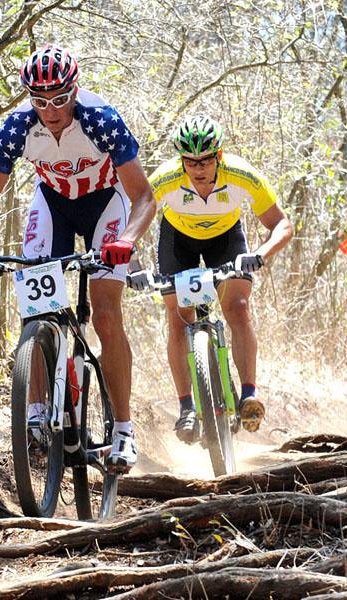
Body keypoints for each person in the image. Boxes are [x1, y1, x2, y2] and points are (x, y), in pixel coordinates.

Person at [0, 44, 156, 471]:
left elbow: (144, 196)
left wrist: (127, 240)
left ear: (75, 90)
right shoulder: (18, 127)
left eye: (60, 98)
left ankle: (124, 430)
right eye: (40, 100)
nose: (50, 110)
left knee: (105, 315)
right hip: (53, 204)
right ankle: (34, 415)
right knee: (36, 308)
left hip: (106, 204)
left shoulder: (101, 120)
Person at [129, 114, 292, 442]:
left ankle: (248, 396)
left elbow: (282, 224)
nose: (198, 168)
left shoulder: (241, 174)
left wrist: (261, 254)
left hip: (226, 240)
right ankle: (186, 407)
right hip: (178, 242)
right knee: (179, 318)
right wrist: (133, 266)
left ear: (219, 155)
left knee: (238, 307)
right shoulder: (166, 178)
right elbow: (127, 224)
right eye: (190, 162)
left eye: (205, 160)